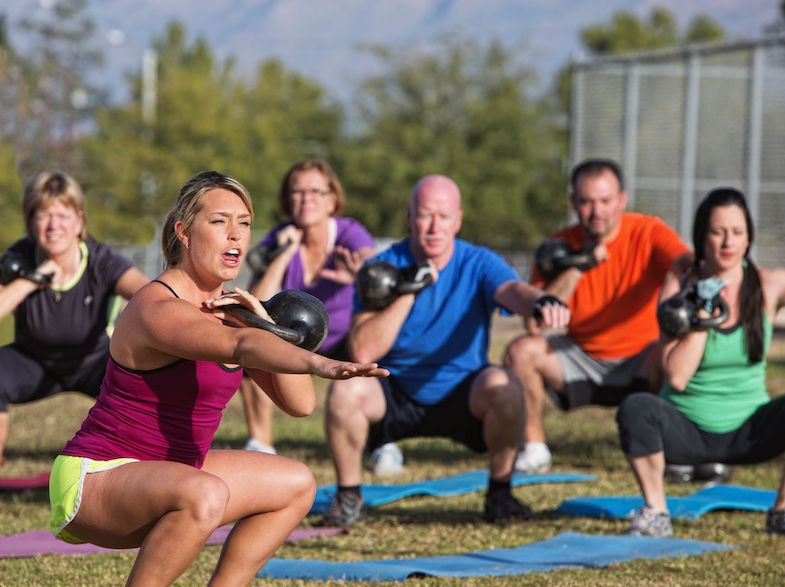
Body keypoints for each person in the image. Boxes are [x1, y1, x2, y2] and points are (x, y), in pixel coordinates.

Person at [48, 170, 388, 587]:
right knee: (204, 491)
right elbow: (237, 347)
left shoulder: (231, 314)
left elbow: (299, 405)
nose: (235, 235)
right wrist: (318, 360)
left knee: (296, 483)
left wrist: (265, 324)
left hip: (172, 475)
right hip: (95, 479)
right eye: (220, 221)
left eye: (245, 224)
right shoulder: (155, 305)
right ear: (184, 232)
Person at [322, 174, 570, 527]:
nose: (434, 227)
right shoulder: (383, 266)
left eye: (444, 216)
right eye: (425, 215)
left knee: (505, 385)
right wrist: (409, 291)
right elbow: (362, 351)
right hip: (395, 390)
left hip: (461, 392)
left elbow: (514, 290)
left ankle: (500, 494)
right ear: (409, 219)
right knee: (346, 387)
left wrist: (541, 301)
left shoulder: (479, 262)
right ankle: (348, 498)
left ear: (458, 220)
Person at [504, 158, 692, 473]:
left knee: (675, 352)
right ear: (573, 203)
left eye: (605, 201)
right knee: (521, 351)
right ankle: (535, 449)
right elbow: (535, 324)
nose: (597, 211)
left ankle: (672, 448)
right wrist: (579, 265)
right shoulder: (558, 247)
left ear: (622, 200)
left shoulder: (648, 231)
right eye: (587, 202)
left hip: (641, 357)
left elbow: (686, 264)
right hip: (582, 357)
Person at [616, 188, 785, 537]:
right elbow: (676, 376)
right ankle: (657, 512)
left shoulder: (769, 286)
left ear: (749, 237)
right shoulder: (676, 291)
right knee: (636, 408)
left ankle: (781, 512)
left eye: (737, 232)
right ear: (701, 237)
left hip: (749, 430)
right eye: (718, 232)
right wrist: (702, 314)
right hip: (686, 431)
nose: (728, 242)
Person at [0, 171, 148, 511]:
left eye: (62, 215)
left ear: (79, 222)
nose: (53, 225)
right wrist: (31, 281)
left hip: (93, 361)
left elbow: (150, 297)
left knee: (146, 383)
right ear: (31, 222)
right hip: (33, 360)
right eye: (43, 215)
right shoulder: (20, 257)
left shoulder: (102, 260)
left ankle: (145, 479)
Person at [241, 158, 404, 476]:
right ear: (288, 199)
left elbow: (372, 264)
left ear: (332, 198)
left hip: (344, 338)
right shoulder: (279, 238)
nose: (306, 199)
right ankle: (261, 443)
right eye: (298, 192)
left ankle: (384, 440)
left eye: (315, 191)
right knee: (252, 343)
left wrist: (360, 274)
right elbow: (256, 303)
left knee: (371, 353)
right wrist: (285, 253)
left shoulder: (348, 232)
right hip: (297, 338)